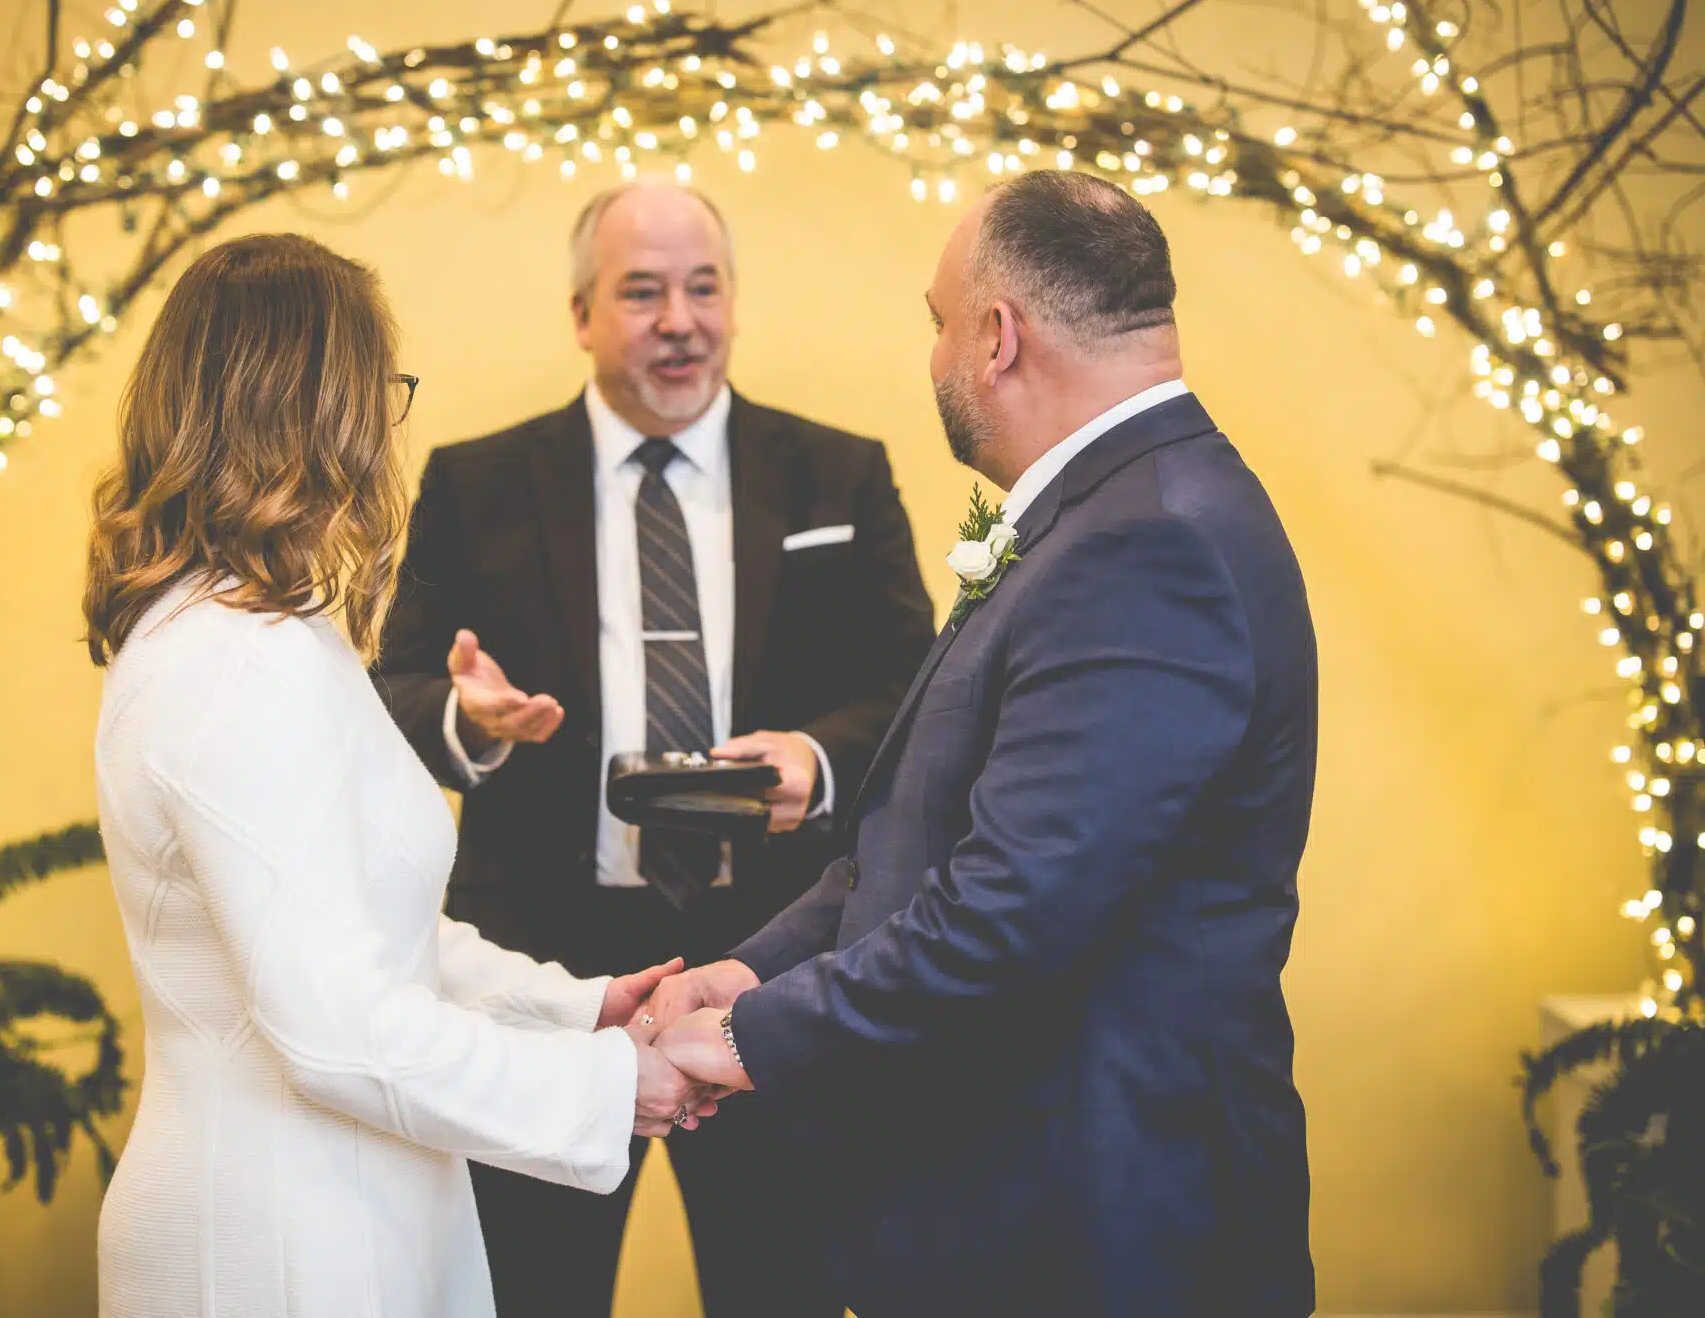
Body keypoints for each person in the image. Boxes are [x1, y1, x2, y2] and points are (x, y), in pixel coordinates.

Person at [652, 171, 1319, 1318]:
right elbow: (919, 834)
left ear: (996, 337)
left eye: (935, 322)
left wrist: (746, 1035)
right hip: (1023, 1209)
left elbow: (1010, 910)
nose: (932, 358)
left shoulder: (1146, 543)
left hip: (1099, 1231)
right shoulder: (1109, 515)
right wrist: (746, 966)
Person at [84, 233, 716, 1318]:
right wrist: (608, 1088)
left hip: (361, 1198)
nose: (387, 421)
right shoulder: (231, 662)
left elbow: (374, 927)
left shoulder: (278, 632)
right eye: (380, 387)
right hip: (282, 1236)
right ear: (319, 406)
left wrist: (578, 1011)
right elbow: (336, 1030)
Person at [376, 182, 934, 1318]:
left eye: (702, 287)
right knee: (532, 1291)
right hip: (548, 981)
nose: (678, 319)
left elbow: (912, 688)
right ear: (581, 313)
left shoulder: (840, 473)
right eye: (640, 293)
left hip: (774, 965)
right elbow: (395, 688)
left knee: (777, 1287)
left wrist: (817, 760)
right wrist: (465, 725)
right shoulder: (474, 481)